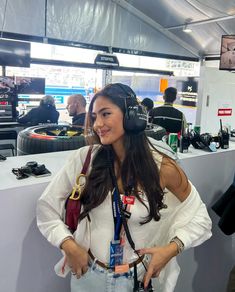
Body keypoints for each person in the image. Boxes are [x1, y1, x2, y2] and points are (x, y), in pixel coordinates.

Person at [37, 83, 212, 292]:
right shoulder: (85, 159)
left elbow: (201, 218)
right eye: (94, 117)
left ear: (131, 116)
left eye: (106, 114)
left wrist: (171, 249)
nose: (97, 124)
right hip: (88, 276)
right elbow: (46, 208)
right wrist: (68, 244)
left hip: (138, 279)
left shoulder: (162, 168)